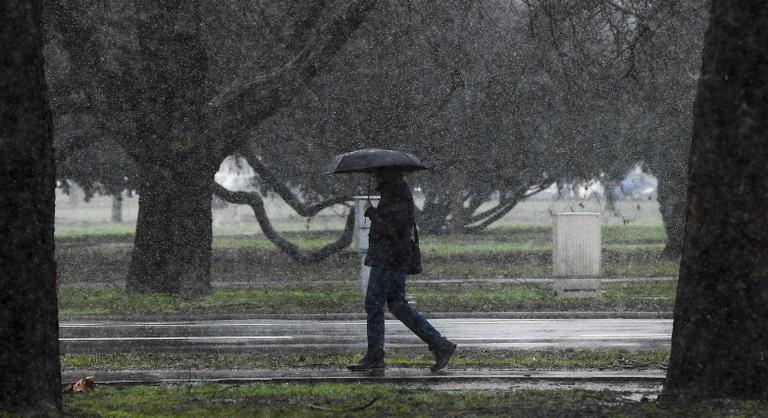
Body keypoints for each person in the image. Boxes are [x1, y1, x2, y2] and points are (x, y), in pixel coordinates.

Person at [347, 169, 456, 373]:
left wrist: (370, 211)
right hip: (395, 258)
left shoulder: (396, 192)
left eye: (376, 174)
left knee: (374, 304)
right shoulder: (396, 190)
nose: (374, 176)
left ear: (386, 173)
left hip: (388, 259)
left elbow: (390, 228)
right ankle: (440, 345)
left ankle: (375, 357)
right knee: (397, 305)